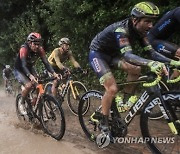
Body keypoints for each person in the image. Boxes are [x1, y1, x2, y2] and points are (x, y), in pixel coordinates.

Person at [89, 1, 174, 136]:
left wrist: (173, 62)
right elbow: (128, 55)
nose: (151, 25)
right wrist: (151, 64)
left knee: (136, 70)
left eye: (152, 22)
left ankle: (123, 101)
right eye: (147, 21)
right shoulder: (121, 30)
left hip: (112, 55)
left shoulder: (141, 32)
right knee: (111, 89)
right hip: (98, 54)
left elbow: (151, 52)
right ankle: (103, 121)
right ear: (135, 20)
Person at [14, 32, 59, 114]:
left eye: (38, 44)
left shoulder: (40, 50)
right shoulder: (24, 49)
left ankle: (35, 107)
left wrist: (54, 73)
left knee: (39, 86)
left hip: (30, 68)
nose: (37, 46)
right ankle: (22, 103)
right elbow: (23, 65)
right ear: (29, 43)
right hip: (20, 69)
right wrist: (30, 76)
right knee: (29, 85)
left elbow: (46, 63)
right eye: (35, 44)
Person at [147, 7, 180, 78]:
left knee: (177, 62)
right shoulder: (178, 12)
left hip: (163, 40)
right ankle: (173, 84)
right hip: (152, 40)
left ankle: (174, 81)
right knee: (179, 53)